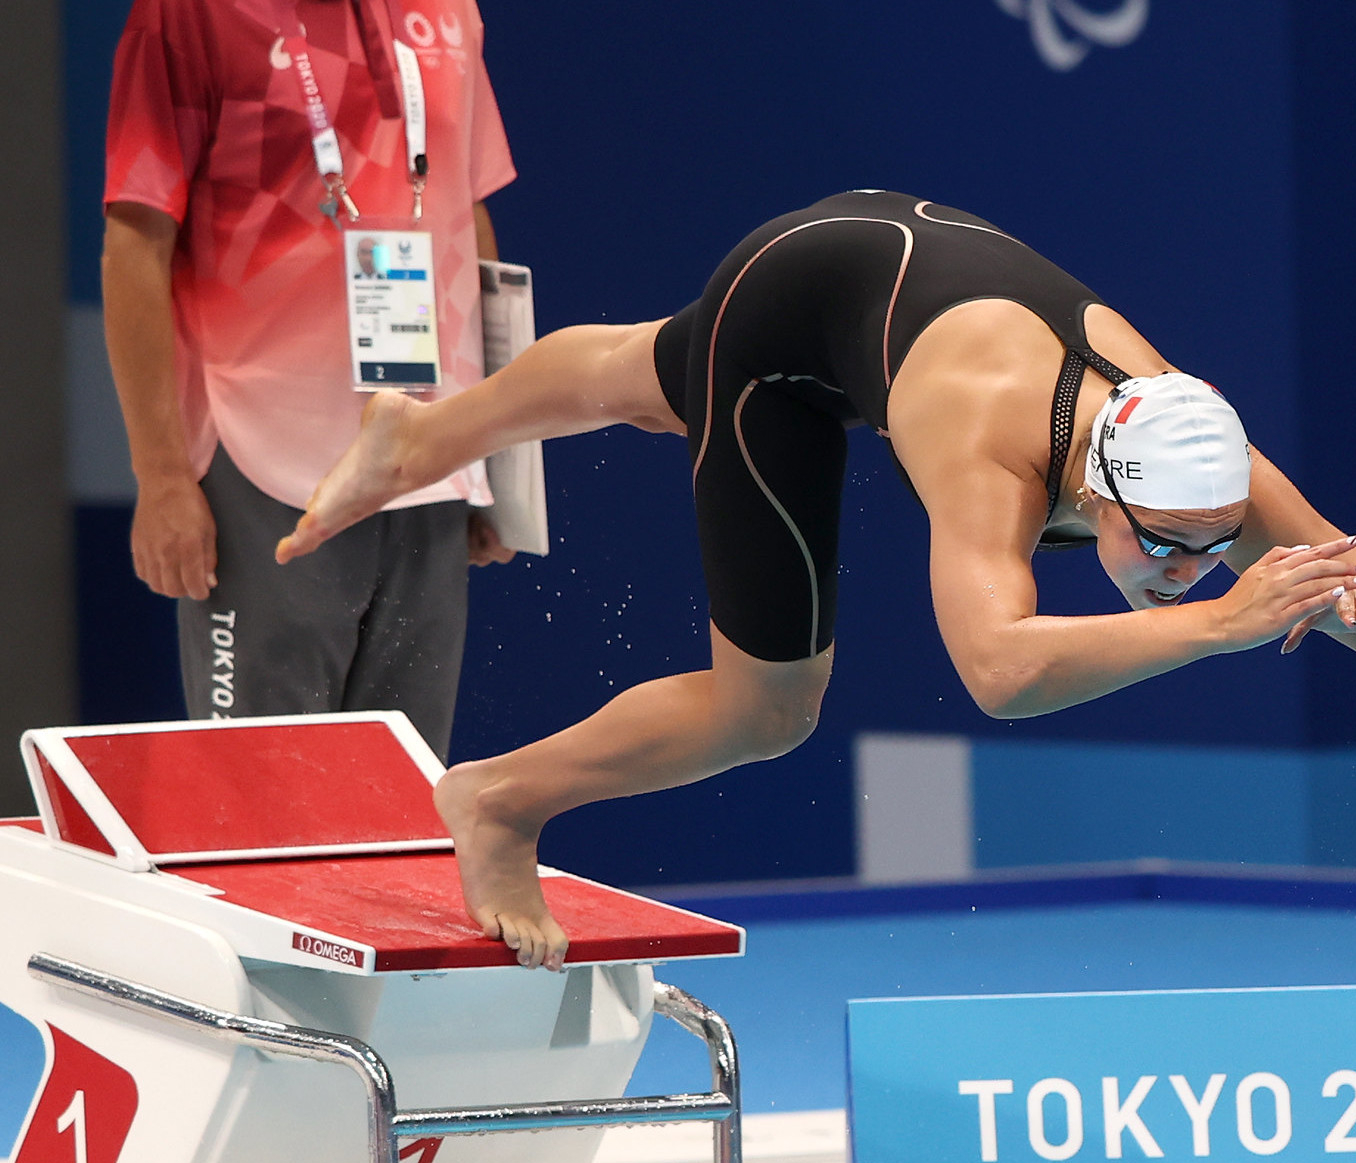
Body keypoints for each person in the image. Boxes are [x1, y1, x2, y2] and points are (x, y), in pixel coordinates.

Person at [276, 189, 1356, 971]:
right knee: (766, 710)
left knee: (640, 373)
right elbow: (998, 670)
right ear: (1098, 492)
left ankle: (412, 439)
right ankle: (501, 799)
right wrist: (1219, 628)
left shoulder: (1198, 456)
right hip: (793, 317)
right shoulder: (993, 451)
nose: (1193, 572)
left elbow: (1334, 578)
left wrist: (1264, 581)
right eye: (1168, 549)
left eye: (1216, 548)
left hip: (882, 271)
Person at [101, 0, 517, 757]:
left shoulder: (447, 9)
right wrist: (161, 474)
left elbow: (466, 208)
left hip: (423, 463)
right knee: (267, 805)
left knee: (407, 805)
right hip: (261, 460)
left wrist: (493, 457)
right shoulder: (186, 15)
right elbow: (134, 245)